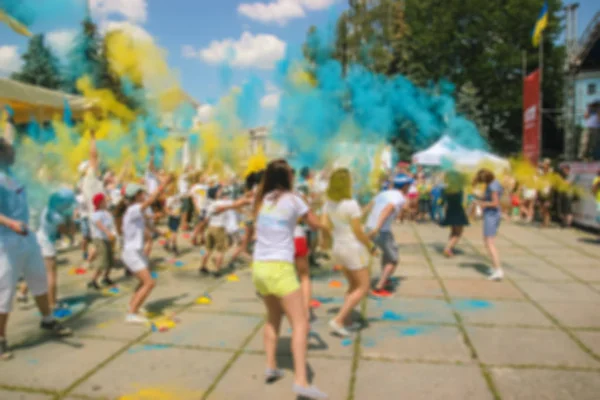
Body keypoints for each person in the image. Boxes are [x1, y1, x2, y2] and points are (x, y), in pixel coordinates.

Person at [252, 159, 327, 399]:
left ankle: (271, 366)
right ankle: (301, 381)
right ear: (288, 178)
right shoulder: (294, 200)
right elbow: (314, 225)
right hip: (280, 268)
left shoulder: (263, 199)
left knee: (273, 319)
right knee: (301, 323)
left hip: (259, 268)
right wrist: (325, 220)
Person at [0, 137, 72, 360]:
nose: (14, 153)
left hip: (27, 237)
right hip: (6, 240)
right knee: (5, 290)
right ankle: (1, 339)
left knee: (39, 279)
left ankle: (47, 320)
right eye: (10, 150)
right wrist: (10, 223)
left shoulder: (13, 176)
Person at [322, 168, 377, 337]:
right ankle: (339, 320)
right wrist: (371, 246)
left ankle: (347, 321)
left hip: (338, 246)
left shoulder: (328, 203)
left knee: (353, 285)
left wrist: (325, 243)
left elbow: (325, 225)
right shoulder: (350, 204)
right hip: (353, 247)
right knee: (363, 286)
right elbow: (358, 232)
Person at [121, 175, 173, 324]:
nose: (144, 195)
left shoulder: (136, 211)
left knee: (143, 281)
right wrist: (162, 184)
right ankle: (131, 314)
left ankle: (133, 305)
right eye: (141, 193)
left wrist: (161, 232)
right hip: (131, 253)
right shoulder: (133, 209)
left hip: (136, 251)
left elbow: (148, 225)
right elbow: (150, 201)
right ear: (136, 196)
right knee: (149, 283)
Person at [363, 174, 412, 297]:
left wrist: (361, 219)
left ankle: (386, 277)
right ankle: (379, 287)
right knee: (393, 259)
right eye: (409, 185)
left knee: (387, 253)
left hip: (369, 226)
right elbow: (388, 209)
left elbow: (370, 205)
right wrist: (377, 228)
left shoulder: (384, 193)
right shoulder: (399, 197)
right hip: (381, 230)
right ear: (405, 186)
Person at [36, 188, 76, 311]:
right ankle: (52, 302)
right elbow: (64, 231)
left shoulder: (48, 209)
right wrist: (71, 227)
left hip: (40, 239)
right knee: (51, 274)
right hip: (47, 244)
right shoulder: (56, 216)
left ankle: (24, 293)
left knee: (40, 271)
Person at [473, 169, 504, 281]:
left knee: (489, 243)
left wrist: (482, 203)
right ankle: (495, 267)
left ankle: (498, 270)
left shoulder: (492, 187)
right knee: (488, 241)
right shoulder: (495, 183)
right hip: (492, 215)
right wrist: (480, 198)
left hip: (492, 215)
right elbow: (491, 198)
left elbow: (495, 203)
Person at [200, 186, 233, 277]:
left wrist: (202, 232)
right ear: (216, 194)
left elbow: (206, 219)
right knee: (220, 251)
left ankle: (203, 266)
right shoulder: (225, 203)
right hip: (220, 228)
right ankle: (217, 270)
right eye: (218, 191)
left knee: (208, 249)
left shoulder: (211, 205)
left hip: (211, 227)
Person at [87, 193, 117, 290]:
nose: (106, 201)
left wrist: (113, 234)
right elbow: (99, 224)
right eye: (104, 200)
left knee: (110, 259)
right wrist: (107, 232)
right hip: (100, 239)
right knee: (102, 260)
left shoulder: (106, 213)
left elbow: (111, 224)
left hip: (108, 238)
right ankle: (93, 280)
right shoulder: (95, 214)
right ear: (100, 203)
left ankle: (106, 277)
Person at [440, 171, 469, 257]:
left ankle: (450, 248)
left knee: (453, 231)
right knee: (458, 233)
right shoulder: (459, 189)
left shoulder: (444, 189)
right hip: (458, 211)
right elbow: (462, 201)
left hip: (450, 211)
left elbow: (442, 202)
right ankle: (448, 248)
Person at [165, 187, 183, 256]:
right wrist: (171, 213)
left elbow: (180, 207)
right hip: (173, 218)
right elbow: (166, 209)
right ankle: (174, 248)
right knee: (174, 233)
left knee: (171, 232)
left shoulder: (177, 197)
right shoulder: (169, 199)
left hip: (177, 217)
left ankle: (167, 244)